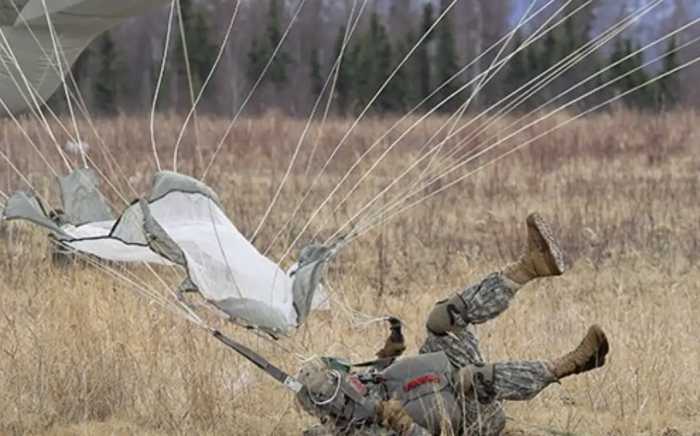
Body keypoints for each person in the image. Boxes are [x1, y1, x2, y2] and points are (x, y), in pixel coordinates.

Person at [296, 213, 609, 436]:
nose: (337, 385)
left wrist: (386, 354)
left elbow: (390, 378)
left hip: (435, 381)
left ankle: (531, 265)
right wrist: (401, 425)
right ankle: (567, 365)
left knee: (442, 319)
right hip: (471, 423)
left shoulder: (355, 388)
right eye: (329, 389)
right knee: (470, 380)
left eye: (332, 380)